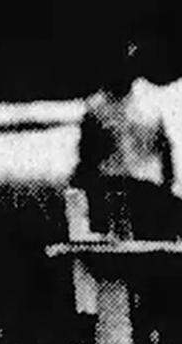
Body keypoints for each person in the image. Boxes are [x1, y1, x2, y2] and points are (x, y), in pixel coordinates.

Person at [75, 42, 175, 239]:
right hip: (110, 190)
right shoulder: (96, 106)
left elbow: (165, 148)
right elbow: (86, 156)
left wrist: (167, 190)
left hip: (146, 189)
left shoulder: (152, 99)